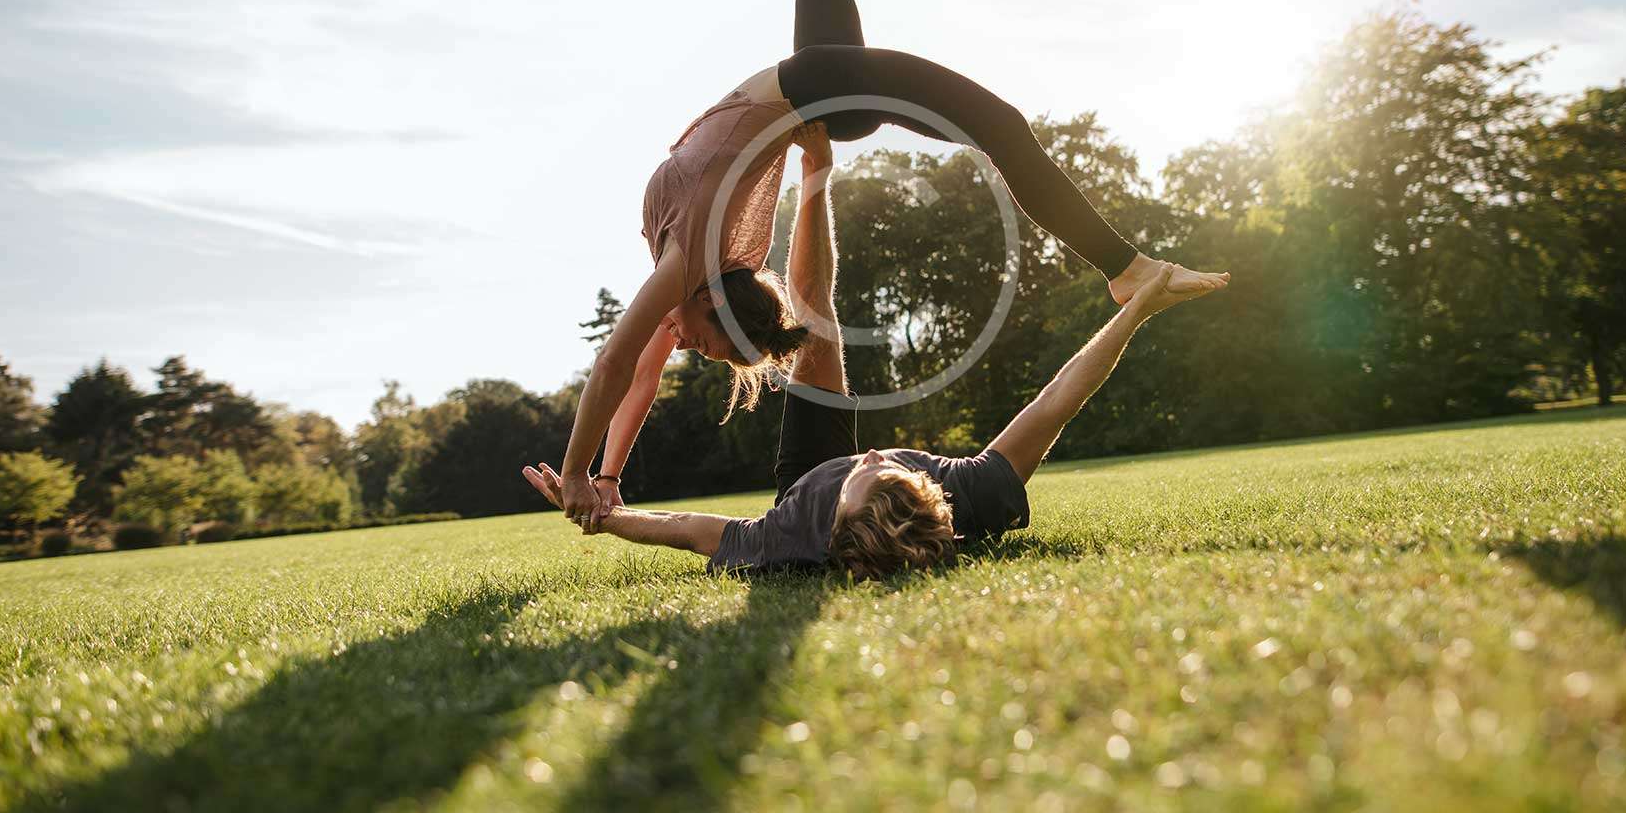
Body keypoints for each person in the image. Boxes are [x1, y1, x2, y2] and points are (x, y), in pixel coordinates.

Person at [556, 0, 1228, 531]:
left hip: (811, 87)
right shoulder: (690, 276)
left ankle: (1124, 270)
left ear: (712, 310)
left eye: (705, 349)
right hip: (818, 99)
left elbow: (616, 364)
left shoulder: (692, 255)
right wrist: (605, 477)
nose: (690, 352)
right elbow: (636, 376)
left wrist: (579, 473)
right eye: (702, 352)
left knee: (997, 120)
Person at [522, 203, 1224, 575]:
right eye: (884, 467)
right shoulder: (975, 492)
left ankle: (817, 167)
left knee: (812, 318)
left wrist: (599, 513)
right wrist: (1137, 310)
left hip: (802, 476)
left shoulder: (788, 535)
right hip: (878, 502)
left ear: (837, 522)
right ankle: (818, 171)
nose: (869, 455)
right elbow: (1059, 399)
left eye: (862, 474)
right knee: (817, 315)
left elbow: (686, 532)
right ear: (926, 492)